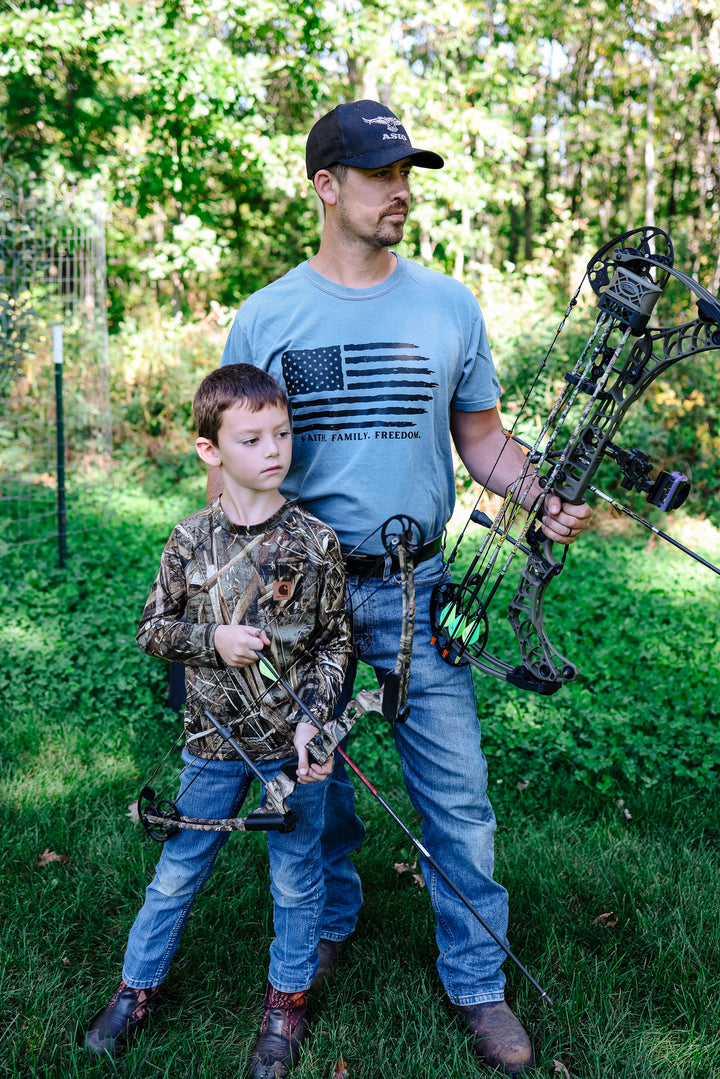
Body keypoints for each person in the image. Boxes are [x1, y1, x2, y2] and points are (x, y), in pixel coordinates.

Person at [212, 100, 593, 1076]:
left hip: (421, 589)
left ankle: (477, 981)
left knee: (458, 799)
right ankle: (325, 921)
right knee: (314, 794)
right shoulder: (267, 315)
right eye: (382, 175)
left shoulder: (448, 305)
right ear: (327, 187)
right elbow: (236, 470)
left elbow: (484, 441)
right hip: (305, 596)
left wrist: (540, 490)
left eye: (407, 173)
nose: (401, 192)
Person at [83, 364, 351, 1079]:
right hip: (211, 744)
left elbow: (335, 643)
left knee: (297, 881)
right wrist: (213, 641)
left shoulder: (318, 542)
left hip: (293, 752)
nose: (274, 449)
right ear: (210, 450)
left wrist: (316, 721)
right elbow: (152, 628)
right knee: (177, 872)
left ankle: (284, 1006)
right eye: (252, 437)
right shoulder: (189, 539)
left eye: (283, 433)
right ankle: (134, 991)